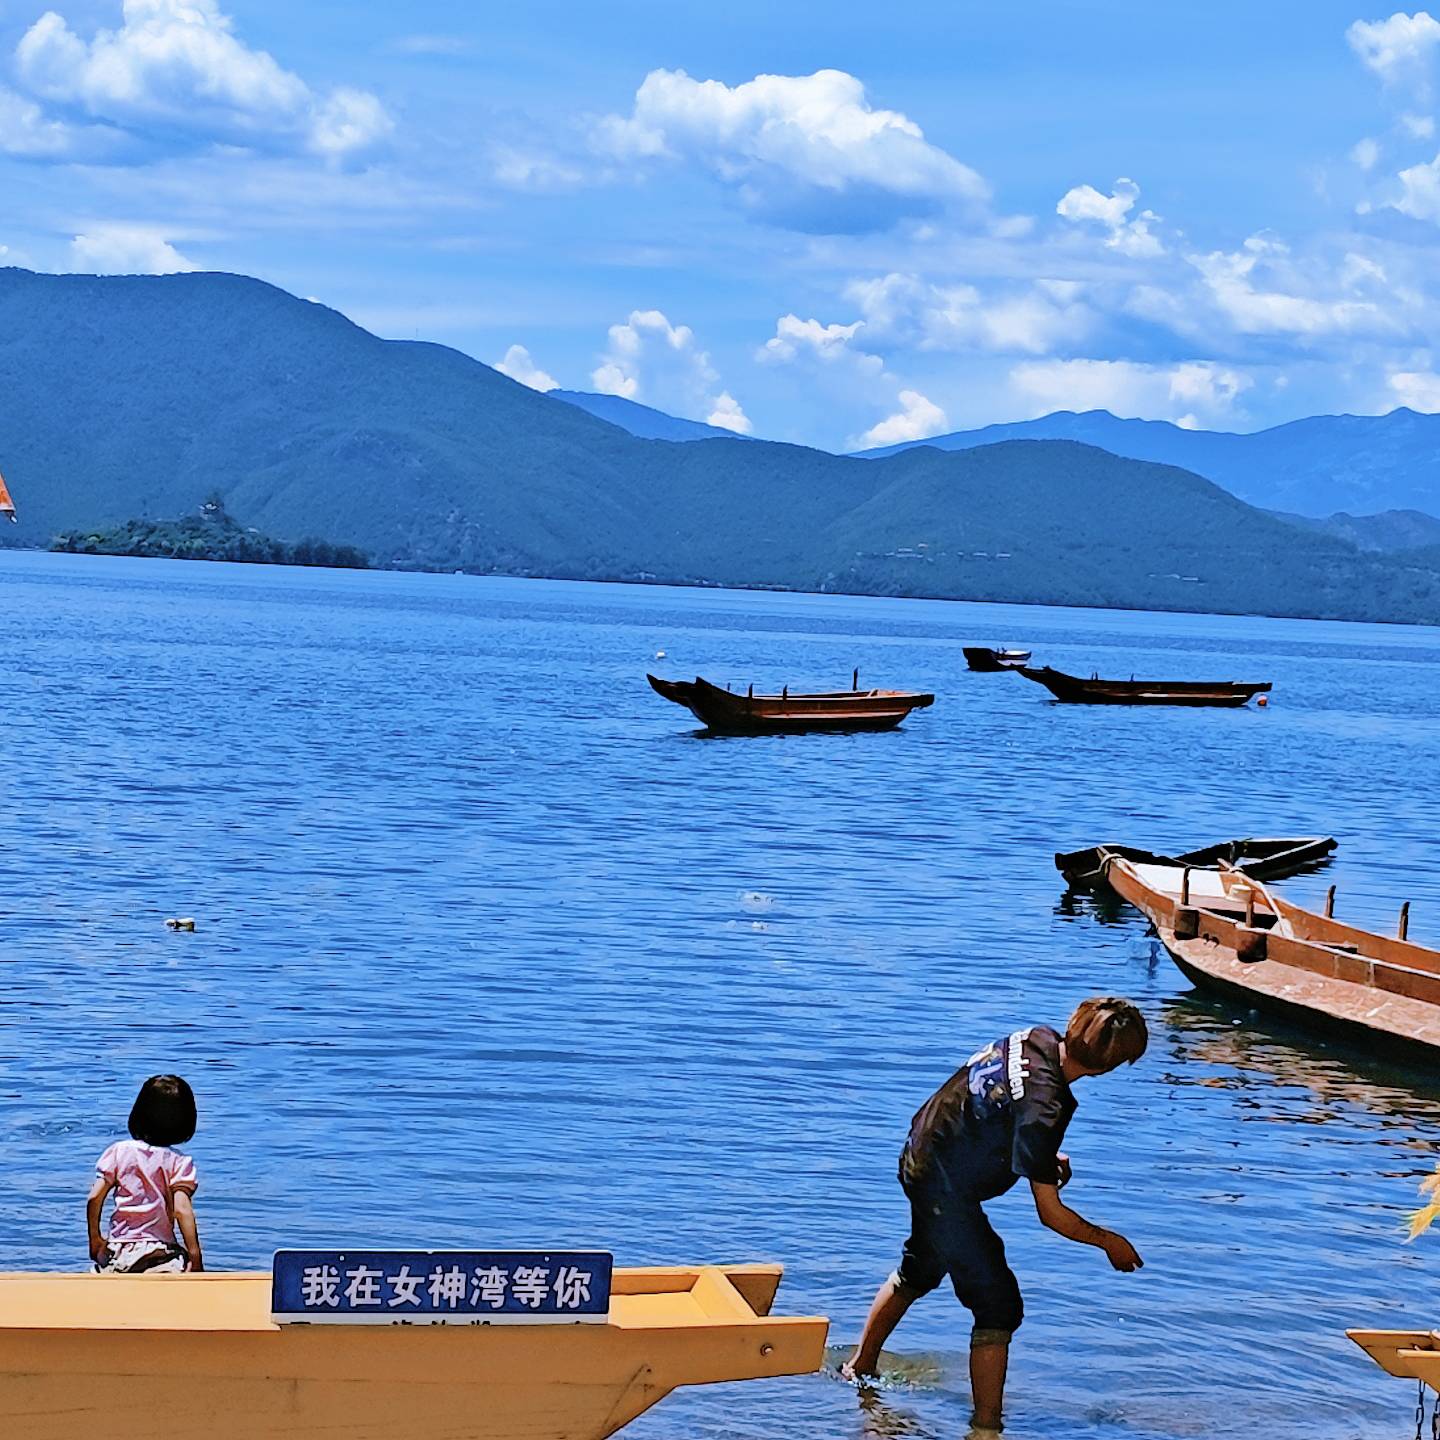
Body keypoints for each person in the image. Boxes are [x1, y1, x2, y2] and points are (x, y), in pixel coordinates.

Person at [841, 997, 1148, 1433]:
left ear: (1073, 1024)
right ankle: (987, 1426)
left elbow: (997, 1104)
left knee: (922, 1267)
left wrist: (1038, 1160)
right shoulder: (1047, 1109)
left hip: (922, 1148)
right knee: (998, 1306)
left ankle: (860, 1367)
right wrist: (1109, 1242)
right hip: (943, 1184)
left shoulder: (1035, 1040)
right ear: (1109, 1068)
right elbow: (1052, 1215)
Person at [87, 1074, 204, 1274]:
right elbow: (181, 1210)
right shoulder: (179, 1162)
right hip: (160, 1253)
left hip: (119, 1251)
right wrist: (195, 1255)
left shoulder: (118, 1151)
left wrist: (95, 1239)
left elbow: (94, 1198)